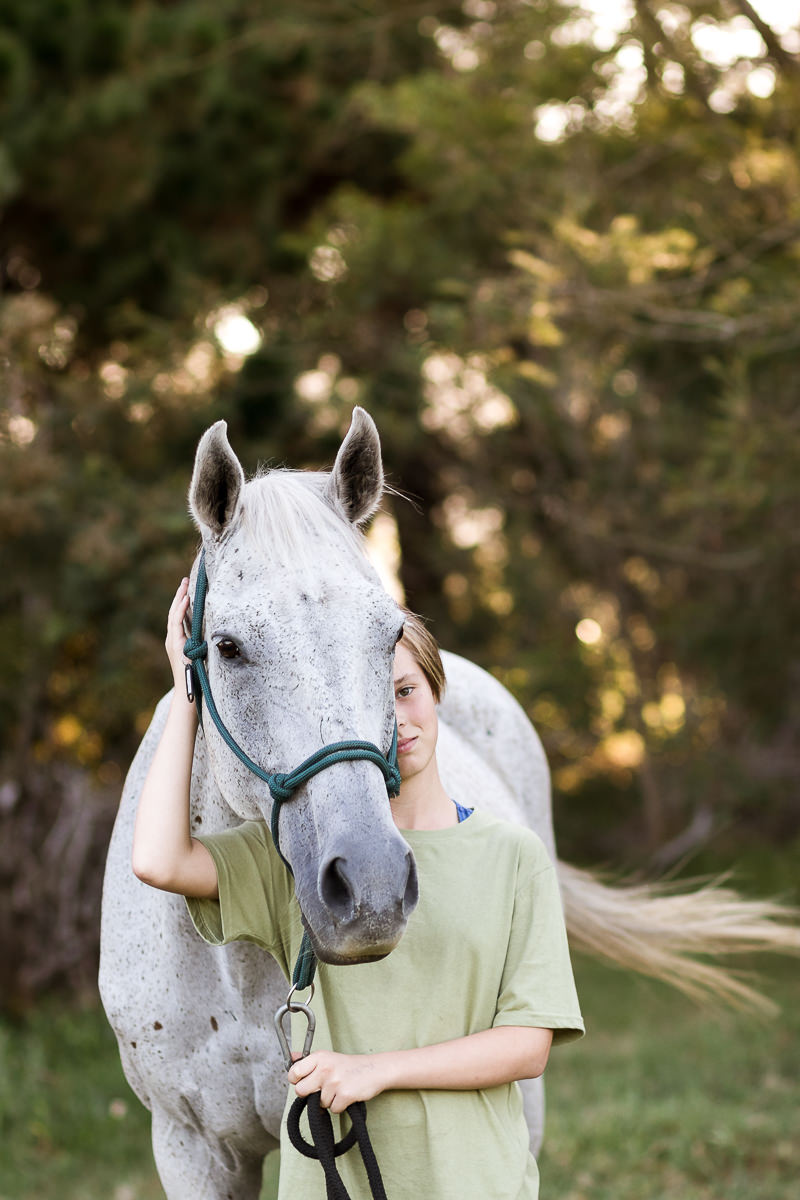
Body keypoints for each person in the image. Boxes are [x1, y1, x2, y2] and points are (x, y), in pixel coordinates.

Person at [133, 578, 584, 1200]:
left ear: (437, 694)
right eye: (374, 698)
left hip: (473, 1179)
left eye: (406, 692)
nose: (395, 719)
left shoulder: (513, 856)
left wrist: (376, 1072)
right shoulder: (296, 861)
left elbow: (528, 1048)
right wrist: (188, 687)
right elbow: (159, 860)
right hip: (334, 1182)